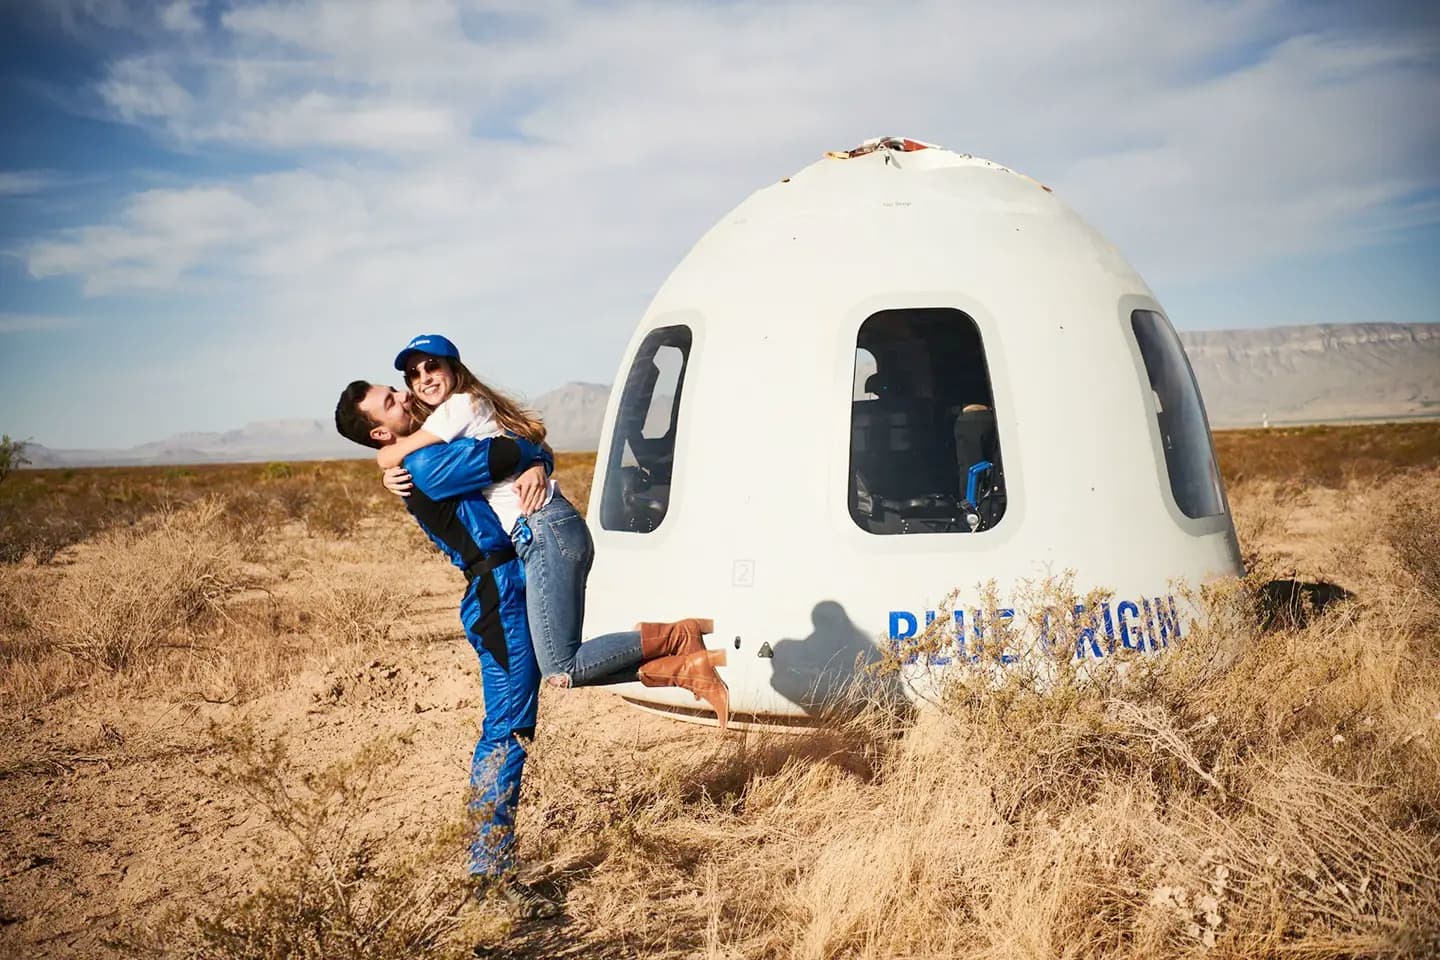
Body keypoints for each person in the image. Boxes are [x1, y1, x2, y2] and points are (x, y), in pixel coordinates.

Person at [379, 334, 729, 726]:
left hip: (545, 530)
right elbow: (533, 446)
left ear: (453, 368)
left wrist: (384, 463)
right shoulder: (463, 414)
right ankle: (684, 667)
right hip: (547, 532)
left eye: (432, 366)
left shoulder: (459, 404)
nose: (423, 378)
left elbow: (400, 452)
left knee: (562, 666)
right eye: (414, 374)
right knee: (558, 666)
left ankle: (678, 637)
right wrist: (537, 463)